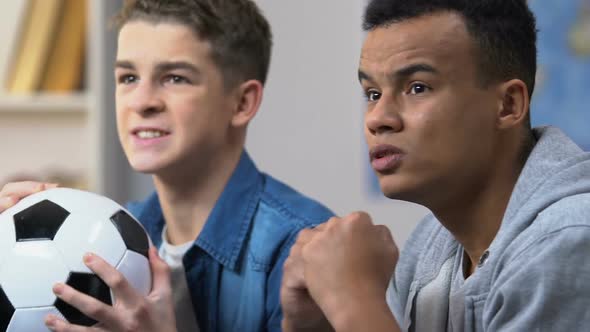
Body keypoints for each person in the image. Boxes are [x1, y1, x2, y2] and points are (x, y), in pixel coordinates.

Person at [0, 0, 333, 331]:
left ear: (242, 102)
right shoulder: (105, 232)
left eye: (174, 78)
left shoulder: (306, 249)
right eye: (128, 77)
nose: (142, 102)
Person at [281, 0, 590, 331]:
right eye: (372, 93)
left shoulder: (568, 240)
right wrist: (312, 324)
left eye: (417, 87)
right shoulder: (430, 244)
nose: (377, 119)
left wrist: (353, 299)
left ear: (507, 105)